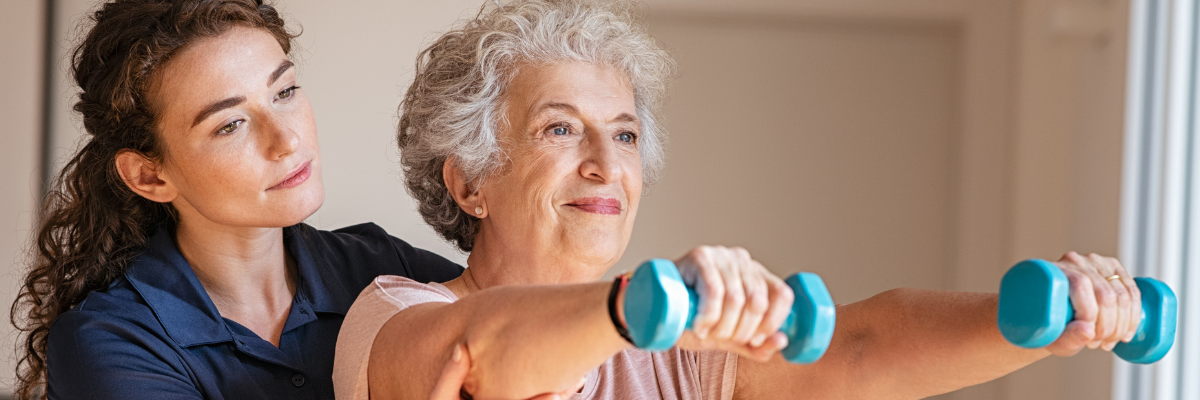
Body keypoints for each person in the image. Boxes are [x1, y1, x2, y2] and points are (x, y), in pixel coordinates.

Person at [333, 0, 1146, 399]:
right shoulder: (393, 313)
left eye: (622, 136)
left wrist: (1043, 322)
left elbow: (860, 346)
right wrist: (645, 306)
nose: (603, 165)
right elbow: (476, 354)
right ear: (467, 180)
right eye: (558, 130)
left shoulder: (670, 351)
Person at [9, 1, 473, 398]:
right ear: (149, 175)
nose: (286, 140)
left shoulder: (382, 267)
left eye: (285, 92)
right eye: (230, 124)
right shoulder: (111, 341)